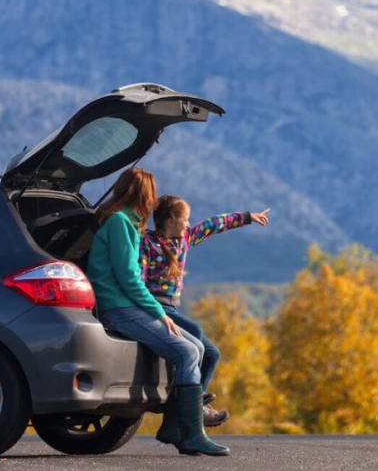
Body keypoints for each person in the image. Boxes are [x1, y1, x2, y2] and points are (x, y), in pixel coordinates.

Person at [86, 168, 229, 456]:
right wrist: (160, 314)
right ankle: (192, 435)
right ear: (142, 194)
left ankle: (177, 427)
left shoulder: (125, 223)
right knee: (188, 352)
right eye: (150, 194)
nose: (153, 201)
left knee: (198, 348)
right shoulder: (119, 223)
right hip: (119, 308)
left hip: (127, 305)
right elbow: (128, 278)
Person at [141, 194, 270, 439]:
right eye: (185, 219)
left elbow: (213, 224)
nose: (189, 224)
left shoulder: (184, 240)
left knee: (212, 353)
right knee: (197, 332)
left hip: (172, 308)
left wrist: (247, 217)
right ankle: (190, 411)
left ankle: (188, 407)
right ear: (170, 220)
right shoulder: (147, 243)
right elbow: (139, 280)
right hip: (156, 308)